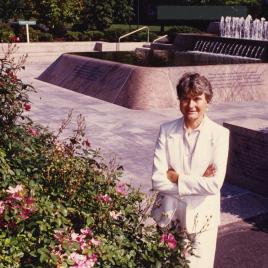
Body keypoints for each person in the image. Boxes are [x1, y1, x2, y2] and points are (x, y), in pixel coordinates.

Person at [151, 72, 229, 268]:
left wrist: (177, 177)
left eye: (197, 99)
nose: (191, 105)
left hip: (202, 219)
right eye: (185, 98)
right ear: (179, 101)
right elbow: (157, 180)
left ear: (207, 101)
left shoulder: (220, 135)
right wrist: (197, 182)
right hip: (170, 216)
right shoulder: (166, 130)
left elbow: (213, 185)